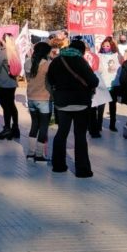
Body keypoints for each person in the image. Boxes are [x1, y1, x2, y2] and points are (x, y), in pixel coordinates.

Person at [46, 39, 98, 178]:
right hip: (81, 102)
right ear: (81, 51)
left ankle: (58, 165)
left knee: (61, 133)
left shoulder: (57, 61)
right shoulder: (81, 61)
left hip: (62, 103)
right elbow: (94, 81)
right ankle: (82, 169)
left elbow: (50, 79)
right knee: (80, 135)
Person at [20, 41, 51, 160]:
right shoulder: (47, 64)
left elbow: (28, 78)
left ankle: (30, 152)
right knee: (43, 126)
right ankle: (39, 154)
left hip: (31, 97)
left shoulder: (28, 62)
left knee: (34, 125)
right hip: (43, 98)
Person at [0, 34, 21, 141]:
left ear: (4, 41)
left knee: (6, 107)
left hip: (2, 83)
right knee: (12, 105)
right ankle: (16, 128)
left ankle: (7, 128)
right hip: (12, 83)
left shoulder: (3, 52)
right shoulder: (15, 51)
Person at [96, 37, 121, 132]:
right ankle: (99, 125)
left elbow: (121, 65)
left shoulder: (116, 55)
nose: (105, 47)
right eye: (104, 46)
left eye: (107, 46)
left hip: (113, 84)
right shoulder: (99, 55)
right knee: (101, 106)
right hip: (102, 84)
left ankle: (112, 125)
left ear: (112, 46)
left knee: (112, 105)